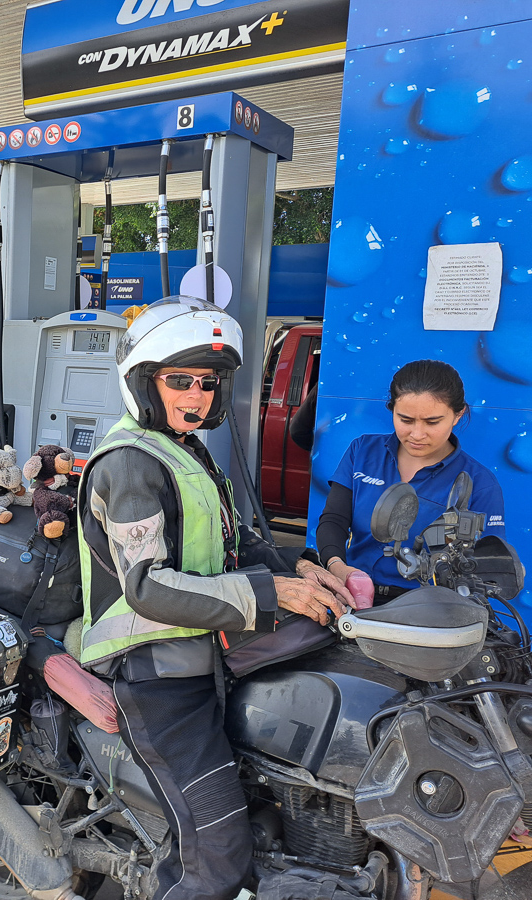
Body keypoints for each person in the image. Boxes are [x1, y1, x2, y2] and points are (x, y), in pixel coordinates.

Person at [78, 297, 351, 900]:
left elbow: (233, 543)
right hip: (155, 676)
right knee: (217, 856)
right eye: (180, 380)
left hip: (203, 660)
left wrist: (303, 567)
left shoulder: (186, 450)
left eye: (209, 382)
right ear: (143, 381)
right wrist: (273, 591)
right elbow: (147, 586)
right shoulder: (131, 465)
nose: (197, 395)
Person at [317, 359, 505, 604]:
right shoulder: (362, 450)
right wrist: (337, 568)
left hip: (427, 610)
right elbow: (334, 519)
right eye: (405, 420)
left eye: (432, 422)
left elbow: (486, 568)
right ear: (392, 409)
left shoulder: (480, 483)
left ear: (457, 415)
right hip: (351, 597)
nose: (417, 434)